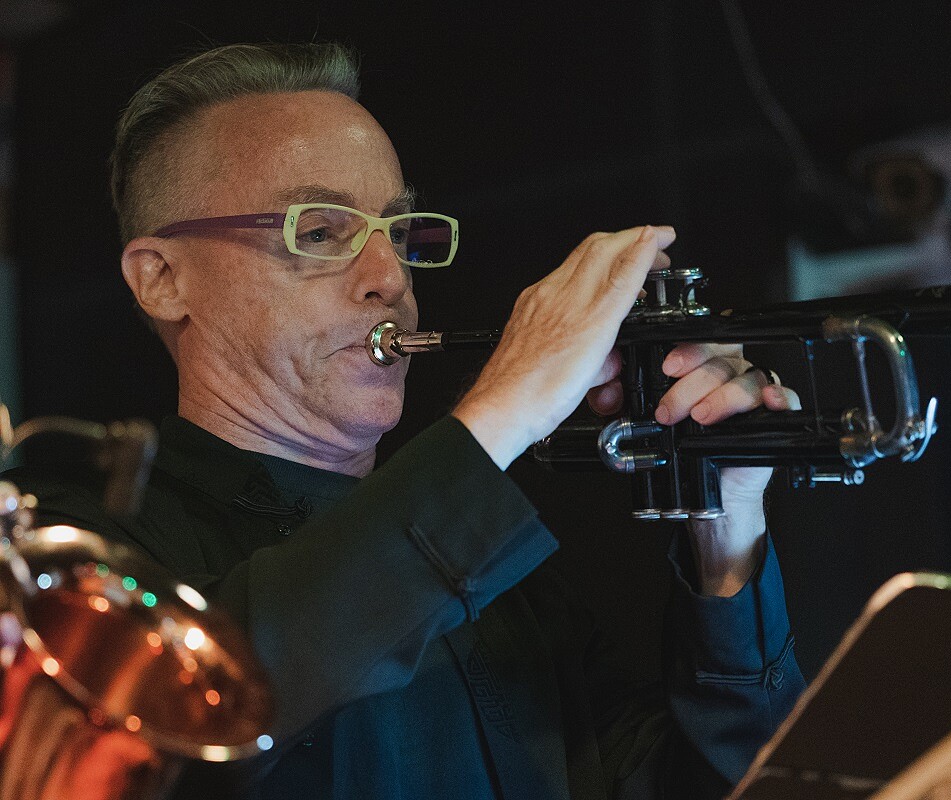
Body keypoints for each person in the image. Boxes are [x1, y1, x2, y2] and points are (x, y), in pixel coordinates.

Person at [5, 42, 805, 798]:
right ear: (162, 278)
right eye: (320, 232)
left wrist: (725, 534)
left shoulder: (501, 574)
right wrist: (502, 412)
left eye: (398, 232)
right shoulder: (70, 538)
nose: (390, 276)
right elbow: (192, 710)